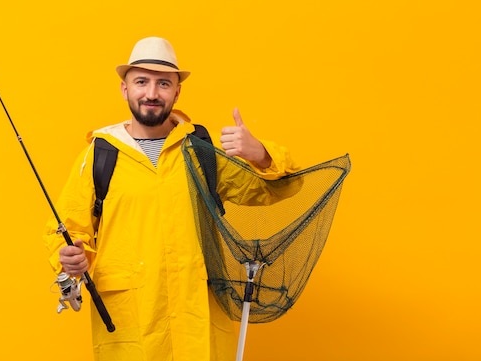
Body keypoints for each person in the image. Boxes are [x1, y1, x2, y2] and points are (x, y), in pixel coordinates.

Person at [43, 37, 300, 361]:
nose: (151, 93)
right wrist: (71, 258)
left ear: (176, 92)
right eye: (141, 82)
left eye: (163, 83)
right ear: (125, 88)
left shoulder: (201, 152)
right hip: (130, 327)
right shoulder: (97, 156)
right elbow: (68, 230)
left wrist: (260, 154)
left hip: (198, 326)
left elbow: (278, 189)